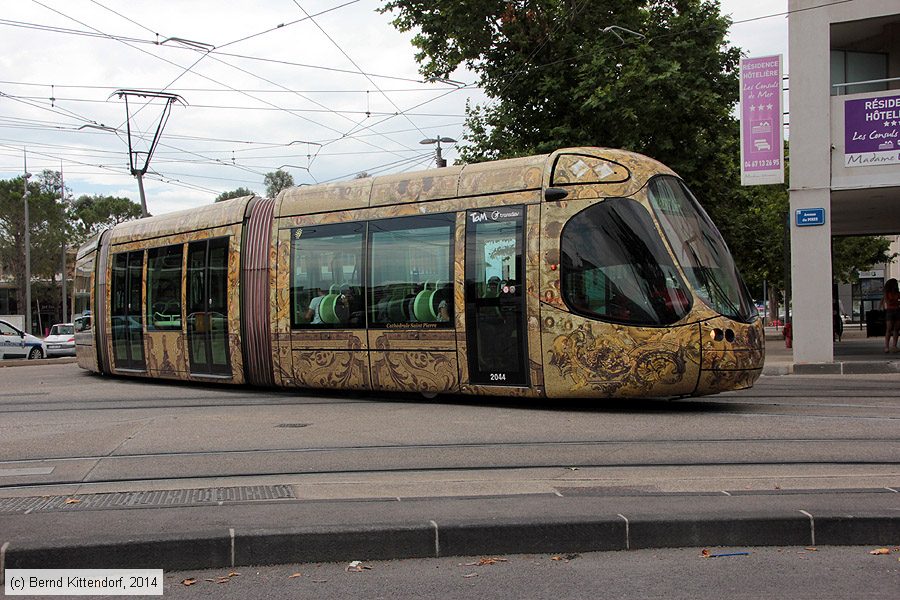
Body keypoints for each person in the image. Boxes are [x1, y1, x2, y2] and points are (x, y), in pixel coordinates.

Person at [881, 278, 900, 353]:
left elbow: (890, 302)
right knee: (889, 328)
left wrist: (895, 302)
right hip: (890, 311)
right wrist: (897, 302)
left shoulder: (897, 293)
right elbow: (888, 302)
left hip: (896, 311)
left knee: (896, 328)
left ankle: (894, 346)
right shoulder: (887, 293)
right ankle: (887, 346)